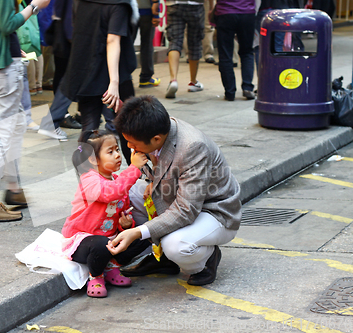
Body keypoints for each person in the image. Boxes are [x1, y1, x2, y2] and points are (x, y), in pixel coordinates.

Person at [108, 96, 241, 286]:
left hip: (212, 210)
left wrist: (137, 232)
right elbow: (154, 170)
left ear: (156, 139)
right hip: (174, 197)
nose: (129, 147)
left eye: (133, 143)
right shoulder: (149, 132)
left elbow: (186, 210)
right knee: (124, 194)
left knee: (176, 245)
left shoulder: (192, 147)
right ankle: (162, 260)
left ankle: (206, 260)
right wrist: (153, 180)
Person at [0, 0, 50, 222]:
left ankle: (13, 188)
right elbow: (7, 24)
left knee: (13, 127)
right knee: (2, 134)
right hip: (1, 68)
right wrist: (34, 7)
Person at [62, 130, 150, 297]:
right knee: (101, 244)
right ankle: (95, 276)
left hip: (108, 237)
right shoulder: (89, 180)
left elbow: (121, 209)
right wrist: (134, 168)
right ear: (93, 159)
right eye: (110, 152)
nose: (117, 155)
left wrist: (126, 225)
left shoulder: (117, 179)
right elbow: (111, 193)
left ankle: (112, 266)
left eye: (117, 149)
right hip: (83, 241)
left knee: (144, 234)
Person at [61, 0, 139, 165]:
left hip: (86, 68)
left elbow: (77, 29)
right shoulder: (118, 4)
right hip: (115, 72)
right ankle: (137, 174)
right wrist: (114, 82)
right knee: (127, 127)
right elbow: (112, 40)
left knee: (88, 128)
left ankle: (86, 181)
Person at [158, 0, 211, 99]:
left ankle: (173, 80)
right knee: (195, 42)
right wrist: (212, 7)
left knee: (175, 41)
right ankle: (193, 82)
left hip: (174, 4)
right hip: (196, 5)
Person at [210, 0, 256, 101]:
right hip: (247, 13)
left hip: (224, 12)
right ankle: (247, 88)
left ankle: (230, 92)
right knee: (247, 52)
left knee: (225, 54)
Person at [135, 0, 161, 88]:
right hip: (146, 10)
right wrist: (156, 14)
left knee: (126, 45)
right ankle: (146, 78)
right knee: (147, 44)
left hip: (129, 9)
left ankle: (123, 77)